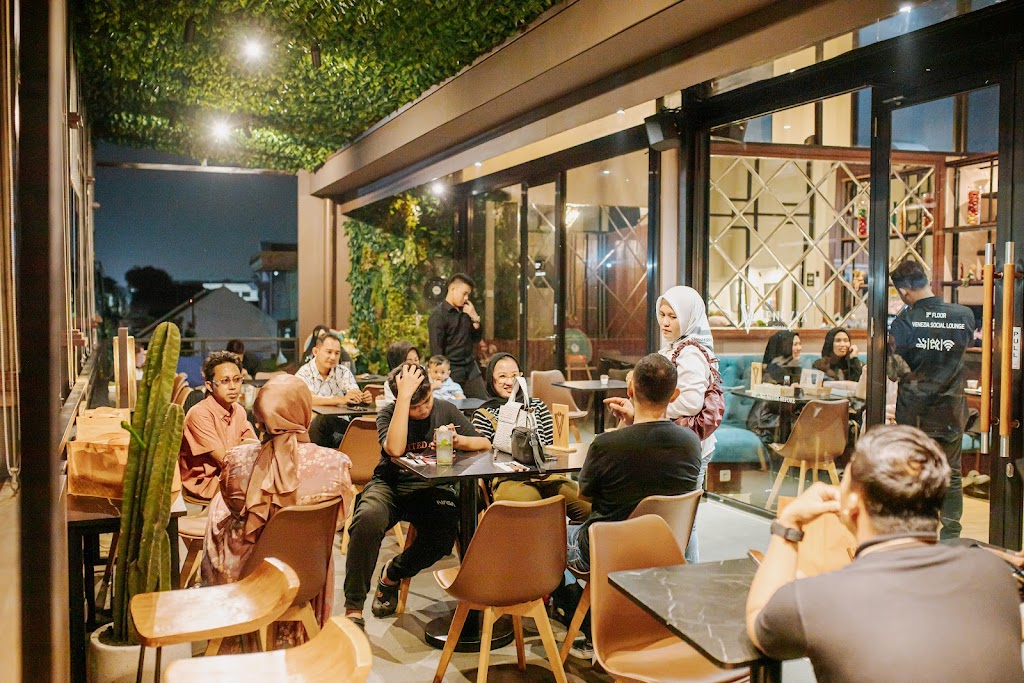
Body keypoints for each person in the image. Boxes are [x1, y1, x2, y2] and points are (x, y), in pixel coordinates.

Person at [746, 425, 1023, 682]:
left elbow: (760, 623)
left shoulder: (815, 597)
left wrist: (789, 523)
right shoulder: (995, 574)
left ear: (851, 503)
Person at [559, 353, 702, 657]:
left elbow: (585, 496)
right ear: (674, 395)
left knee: (549, 535)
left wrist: (627, 428)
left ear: (631, 390)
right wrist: (633, 423)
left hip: (607, 552)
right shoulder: (691, 444)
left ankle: (585, 626)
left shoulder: (607, 445)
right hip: (664, 550)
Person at [201, 375, 352, 647]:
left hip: (247, 575)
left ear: (260, 418)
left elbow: (231, 506)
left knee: (217, 516)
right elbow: (338, 523)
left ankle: (232, 638)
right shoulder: (336, 464)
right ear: (306, 413)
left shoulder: (235, 462)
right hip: (307, 575)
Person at [343, 363, 490, 628]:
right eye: (414, 406)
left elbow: (484, 443)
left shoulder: (445, 409)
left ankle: (392, 574)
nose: (422, 410)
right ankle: (353, 609)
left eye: (427, 401)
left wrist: (459, 441)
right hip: (390, 486)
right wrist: (403, 400)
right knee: (367, 519)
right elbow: (395, 449)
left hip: (431, 490)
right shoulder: (388, 414)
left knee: (443, 535)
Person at [605, 285, 716, 563]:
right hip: (674, 443)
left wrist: (647, 408)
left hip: (689, 447)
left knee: (684, 520)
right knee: (675, 517)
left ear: (688, 318)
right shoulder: (673, 348)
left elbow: (691, 402)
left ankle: (687, 575)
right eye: (662, 314)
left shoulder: (690, 353)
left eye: (673, 317)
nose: (665, 322)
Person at [887, 257, 975, 540]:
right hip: (950, 409)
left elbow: (893, 371)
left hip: (915, 411)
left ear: (904, 291)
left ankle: (917, 533)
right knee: (952, 474)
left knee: (913, 473)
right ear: (926, 280)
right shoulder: (963, 315)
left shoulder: (904, 322)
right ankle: (951, 535)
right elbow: (962, 350)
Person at [472, 353, 590, 523]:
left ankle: (572, 539)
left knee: (590, 507)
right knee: (533, 508)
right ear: (491, 379)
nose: (509, 382)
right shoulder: (483, 414)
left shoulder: (537, 406)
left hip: (546, 475)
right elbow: (483, 460)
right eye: (502, 376)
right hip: (509, 480)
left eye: (515, 375)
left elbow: (550, 446)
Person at [179, 351, 257, 503]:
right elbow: (224, 460)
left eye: (237, 380)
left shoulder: (239, 410)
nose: (233, 387)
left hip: (233, 474)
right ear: (209, 385)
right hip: (207, 483)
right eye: (225, 381)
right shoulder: (199, 414)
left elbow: (254, 447)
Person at [296, 333, 372, 448]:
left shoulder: (343, 372)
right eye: (329, 352)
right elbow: (310, 399)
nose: (333, 357)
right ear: (316, 352)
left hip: (339, 429)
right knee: (324, 419)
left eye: (337, 353)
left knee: (362, 431)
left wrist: (362, 398)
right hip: (313, 430)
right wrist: (342, 400)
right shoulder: (304, 373)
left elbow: (353, 392)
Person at [428, 273, 487, 398]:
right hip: (452, 369)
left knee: (483, 401)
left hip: (470, 366)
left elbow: (476, 338)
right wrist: (440, 374)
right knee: (455, 405)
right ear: (452, 289)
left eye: (468, 295)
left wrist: (475, 317)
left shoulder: (467, 311)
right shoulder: (438, 316)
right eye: (464, 294)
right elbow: (436, 350)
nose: (466, 298)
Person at [746, 330, 803, 445]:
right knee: (804, 426)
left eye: (800, 344)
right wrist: (789, 390)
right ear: (784, 346)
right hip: (764, 421)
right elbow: (772, 402)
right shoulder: (771, 371)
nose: (799, 348)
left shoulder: (794, 367)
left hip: (783, 417)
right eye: (795, 344)